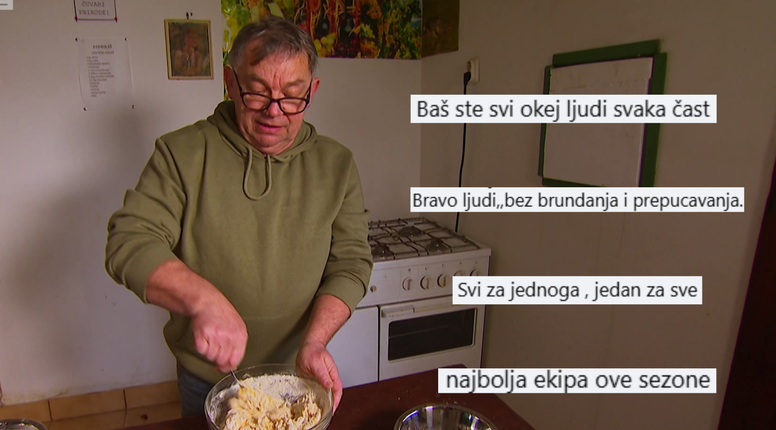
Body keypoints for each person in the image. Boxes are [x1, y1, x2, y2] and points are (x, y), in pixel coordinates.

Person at [105, 16, 373, 417]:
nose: (274, 112)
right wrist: (203, 299)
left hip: (297, 372)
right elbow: (129, 242)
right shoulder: (182, 153)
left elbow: (351, 263)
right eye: (257, 93)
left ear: (312, 91)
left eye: (292, 96)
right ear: (231, 83)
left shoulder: (337, 164)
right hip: (207, 378)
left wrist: (315, 341)